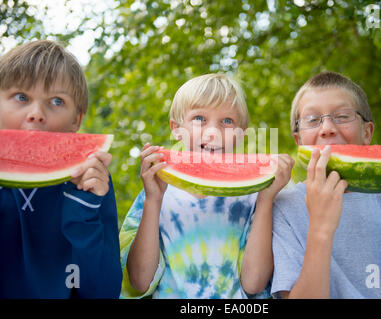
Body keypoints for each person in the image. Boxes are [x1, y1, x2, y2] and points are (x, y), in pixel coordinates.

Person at [269, 71, 381, 298]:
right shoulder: (284, 207)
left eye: (342, 116)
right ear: (299, 141)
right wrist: (320, 228)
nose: (327, 128)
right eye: (312, 120)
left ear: (367, 133)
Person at [119, 73, 294, 298]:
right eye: (200, 118)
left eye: (227, 121)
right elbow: (140, 280)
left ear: (241, 133)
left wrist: (266, 199)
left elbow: (254, 283)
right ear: (176, 128)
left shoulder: (254, 197)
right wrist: (153, 200)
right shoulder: (156, 193)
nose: (213, 131)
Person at [0, 40, 122, 298]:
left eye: (56, 101)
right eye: (21, 97)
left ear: (76, 120)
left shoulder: (92, 181)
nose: (36, 113)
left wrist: (84, 212)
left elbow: (103, 292)